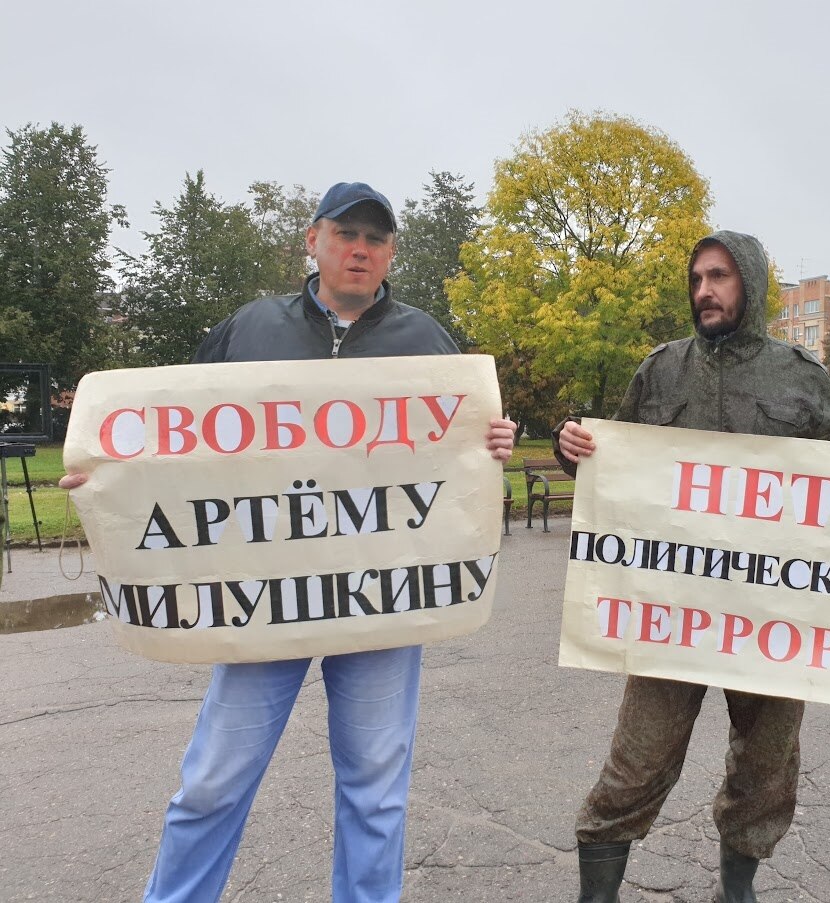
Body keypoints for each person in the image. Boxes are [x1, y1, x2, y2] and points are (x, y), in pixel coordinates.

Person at [61, 182, 517, 903]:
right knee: (213, 780)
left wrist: (493, 443)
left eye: (375, 238)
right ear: (313, 240)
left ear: (391, 251)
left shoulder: (426, 340)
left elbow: (460, 455)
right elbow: (170, 440)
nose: (359, 249)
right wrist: (105, 471)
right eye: (345, 234)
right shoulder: (250, 329)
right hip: (262, 595)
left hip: (383, 596)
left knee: (375, 788)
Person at [554, 230, 830, 903]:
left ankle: (735, 890)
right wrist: (573, 448)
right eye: (695, 279)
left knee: (766, 769)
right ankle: (596, 895)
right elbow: (614, 461)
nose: (703, 291)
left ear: (750, 282)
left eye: (718, 276)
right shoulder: (661, 370)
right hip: (671, 613)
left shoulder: (797, 374)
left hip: (774, 617)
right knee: (636, 761)